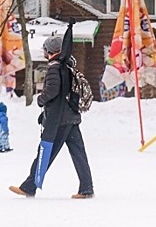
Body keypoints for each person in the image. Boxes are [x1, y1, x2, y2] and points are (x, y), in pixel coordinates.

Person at [9, 18, 94, 199]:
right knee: (78, 153)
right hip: (71, 117)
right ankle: (87, 188)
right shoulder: (68, 66)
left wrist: (41, 99)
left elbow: (53, 90)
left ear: (49, 52)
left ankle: (29, 186)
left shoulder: (55, 68)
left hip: (59, 120)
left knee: (45, 151)